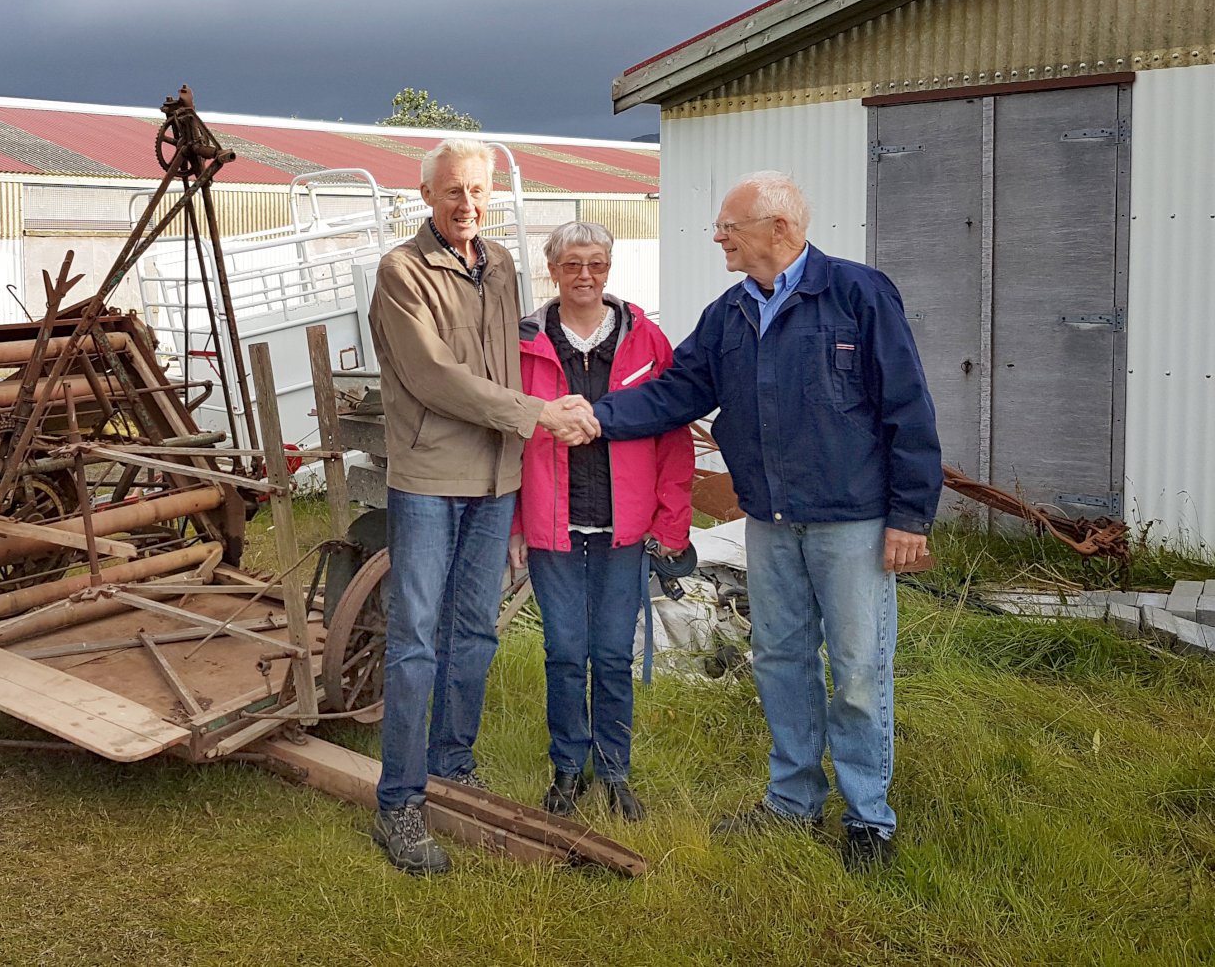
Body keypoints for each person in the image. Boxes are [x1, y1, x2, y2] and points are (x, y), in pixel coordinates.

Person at [561, 170, 941, 871]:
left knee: (858, 672)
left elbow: (907, 409)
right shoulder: (729, 314)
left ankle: (868, 819)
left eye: (728, 227)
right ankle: (793, 803)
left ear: (779, 229)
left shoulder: (858, 294)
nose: (717, 238)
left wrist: (910, 515)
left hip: (851, 522)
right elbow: (677, 391)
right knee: (782, 663)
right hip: (767, 521)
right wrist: (596, 417)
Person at [366, 138, 591, 876]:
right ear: (427, 194)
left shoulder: (499, 265)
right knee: (416, 640)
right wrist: (538, 414)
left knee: (475, 632)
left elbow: (513, 351)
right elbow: (436, 378)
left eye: (477, 191)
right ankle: (398, 803)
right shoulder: (402, 272)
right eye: (453, 190)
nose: (466, 203)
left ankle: (452, 767)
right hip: (431, 477)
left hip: (495, 480)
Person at [508, 220, 694, 822]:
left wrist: (672, 521)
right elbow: (507, 439)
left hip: (625, 528)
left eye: (595, 264)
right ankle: (567, 768)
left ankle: (615, 770)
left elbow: (672, 435)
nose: (584, 276)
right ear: (553, 270)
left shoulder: (647, 342)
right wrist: (514, 523)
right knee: (564, 651)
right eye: (571, 265)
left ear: (609, 269)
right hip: (553, 525)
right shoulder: (525, 343)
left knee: (612, 653)